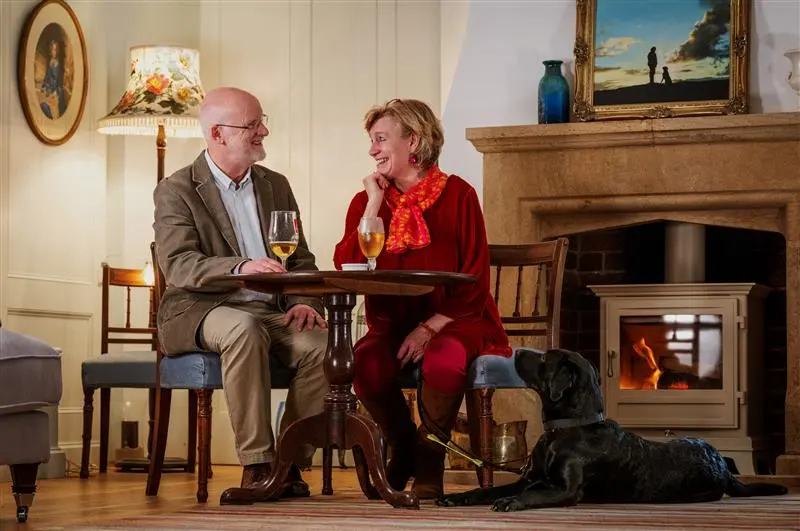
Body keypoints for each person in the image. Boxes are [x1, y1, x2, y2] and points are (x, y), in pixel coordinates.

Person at [153, 87, 329, 505]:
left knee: (323, 345)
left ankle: (289, 462)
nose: (263, 130)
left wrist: (304, 300)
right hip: (201, 309)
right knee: (244, 328)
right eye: (252, 125)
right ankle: (257, 464)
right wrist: (240, 267)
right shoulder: (176, 189)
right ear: (218, 133)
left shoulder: (275, 185)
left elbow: (300, 257)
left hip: (271, 310)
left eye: (261, 121)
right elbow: (180, 265)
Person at [333, 98, 511, 499]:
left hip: (456, 318)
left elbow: (476, 277)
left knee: (445, 360)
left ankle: (430, 460)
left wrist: (430, 327)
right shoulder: (367, 200)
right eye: (372, 140)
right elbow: (347, 264)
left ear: (412, 140)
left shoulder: (459, 195)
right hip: (392, 322)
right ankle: (404, 447)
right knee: (365, 364)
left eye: (381, 139)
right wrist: (374, 206)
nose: (372, 150)